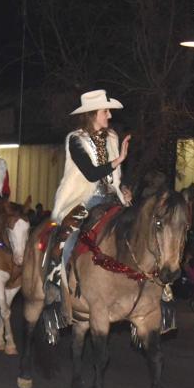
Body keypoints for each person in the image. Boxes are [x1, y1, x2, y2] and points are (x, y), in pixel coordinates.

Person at [46, 89, 131, 301]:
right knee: (68, 236)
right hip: (85, 198)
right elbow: (92, 174)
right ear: (93, 113)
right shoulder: (76, 140)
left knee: (135, 228)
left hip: (112, 197)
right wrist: (119, 159)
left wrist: (124, 189)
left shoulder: (111, 137)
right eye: (106, 111)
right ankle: (56, 289)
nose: (110, 116)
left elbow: (114, 176)